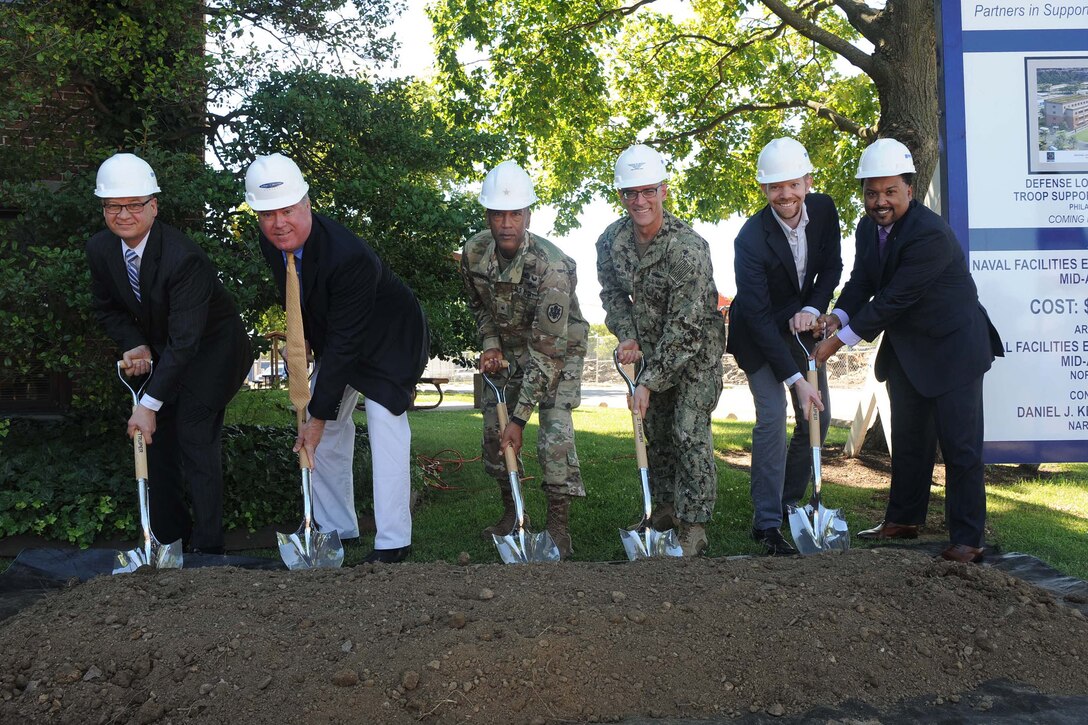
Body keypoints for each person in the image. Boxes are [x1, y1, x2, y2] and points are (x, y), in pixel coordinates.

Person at [812, 138, 1003, 564]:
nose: (879, 201)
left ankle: (968, 539)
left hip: (954, 351)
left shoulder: (930, 234)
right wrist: (836, 317)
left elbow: (894, 299)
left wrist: (834, 345)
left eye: (889, 192)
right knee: (910, 441)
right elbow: (863, 281)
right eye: (871, 192)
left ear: (909, 191)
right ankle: (903, 519)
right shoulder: (866, 229)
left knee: (961, 449)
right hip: (907, 353)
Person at [245, 153, 429, 564]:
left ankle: (393, 543)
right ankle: (335, 530)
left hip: (389, 340)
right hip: (339, 334)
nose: (278, 223)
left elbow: (347, 345)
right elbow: (296, 292)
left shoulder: (349, 257)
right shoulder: (271, 241)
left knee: (383, 424)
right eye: (267, 214)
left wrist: (316, 417)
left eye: (288, 211)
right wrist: (306, 337)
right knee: (324, 427)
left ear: (307, 205)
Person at [86, 152, 251, 555]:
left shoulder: (184, 258)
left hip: (215, 353)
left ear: (153, 207)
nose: (123, 214)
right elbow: (106, 307)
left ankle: (209, 549)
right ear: (104, 208)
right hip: (169, 350)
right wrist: (133, 342)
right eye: (113, 206)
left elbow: (187, 342)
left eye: (133, 205)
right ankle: (168, 540)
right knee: (155, 443)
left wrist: (148, 403)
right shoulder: (100, 250)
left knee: (194, 434)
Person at [596, 144, 726, 557]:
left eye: (648, 191)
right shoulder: (611, 241)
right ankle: (664, 510)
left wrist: (648, 382)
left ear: (664, 190)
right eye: (630, 193)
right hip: (652, 348)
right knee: (655, 433)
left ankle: (695, 523)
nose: (640, 201)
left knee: (687, 429)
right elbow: (613, 294)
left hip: (696, 353)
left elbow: (687, 326)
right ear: (621, 196)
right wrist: (627, 335)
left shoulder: (688, 247)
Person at [461, 161, 589, 560]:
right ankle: (512, 512)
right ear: (487, 216)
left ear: (529, 214)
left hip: (559, 350)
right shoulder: (474, 253)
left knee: (554, 430)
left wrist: (519, 419)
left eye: (515, 213)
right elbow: (479, 306)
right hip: (509, 350)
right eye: (498, 213)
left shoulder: (552, 267)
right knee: (493, 432)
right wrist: (491, 342)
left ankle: (558, 526)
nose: (506, 223)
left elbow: (548, 354)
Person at [728, 138, 842, 556]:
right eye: (775, 187)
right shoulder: (750, 239)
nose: (785, 195)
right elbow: (757, 318)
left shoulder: (826, 211)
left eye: (792, 184)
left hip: (801, 325)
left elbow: (832, 266)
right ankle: (767, 523)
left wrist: (813, 306)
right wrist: (795, 379)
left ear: (808, 182)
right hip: (757, 334)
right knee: (774, 417)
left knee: (818, 416)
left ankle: (789, 501)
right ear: (763, 190)